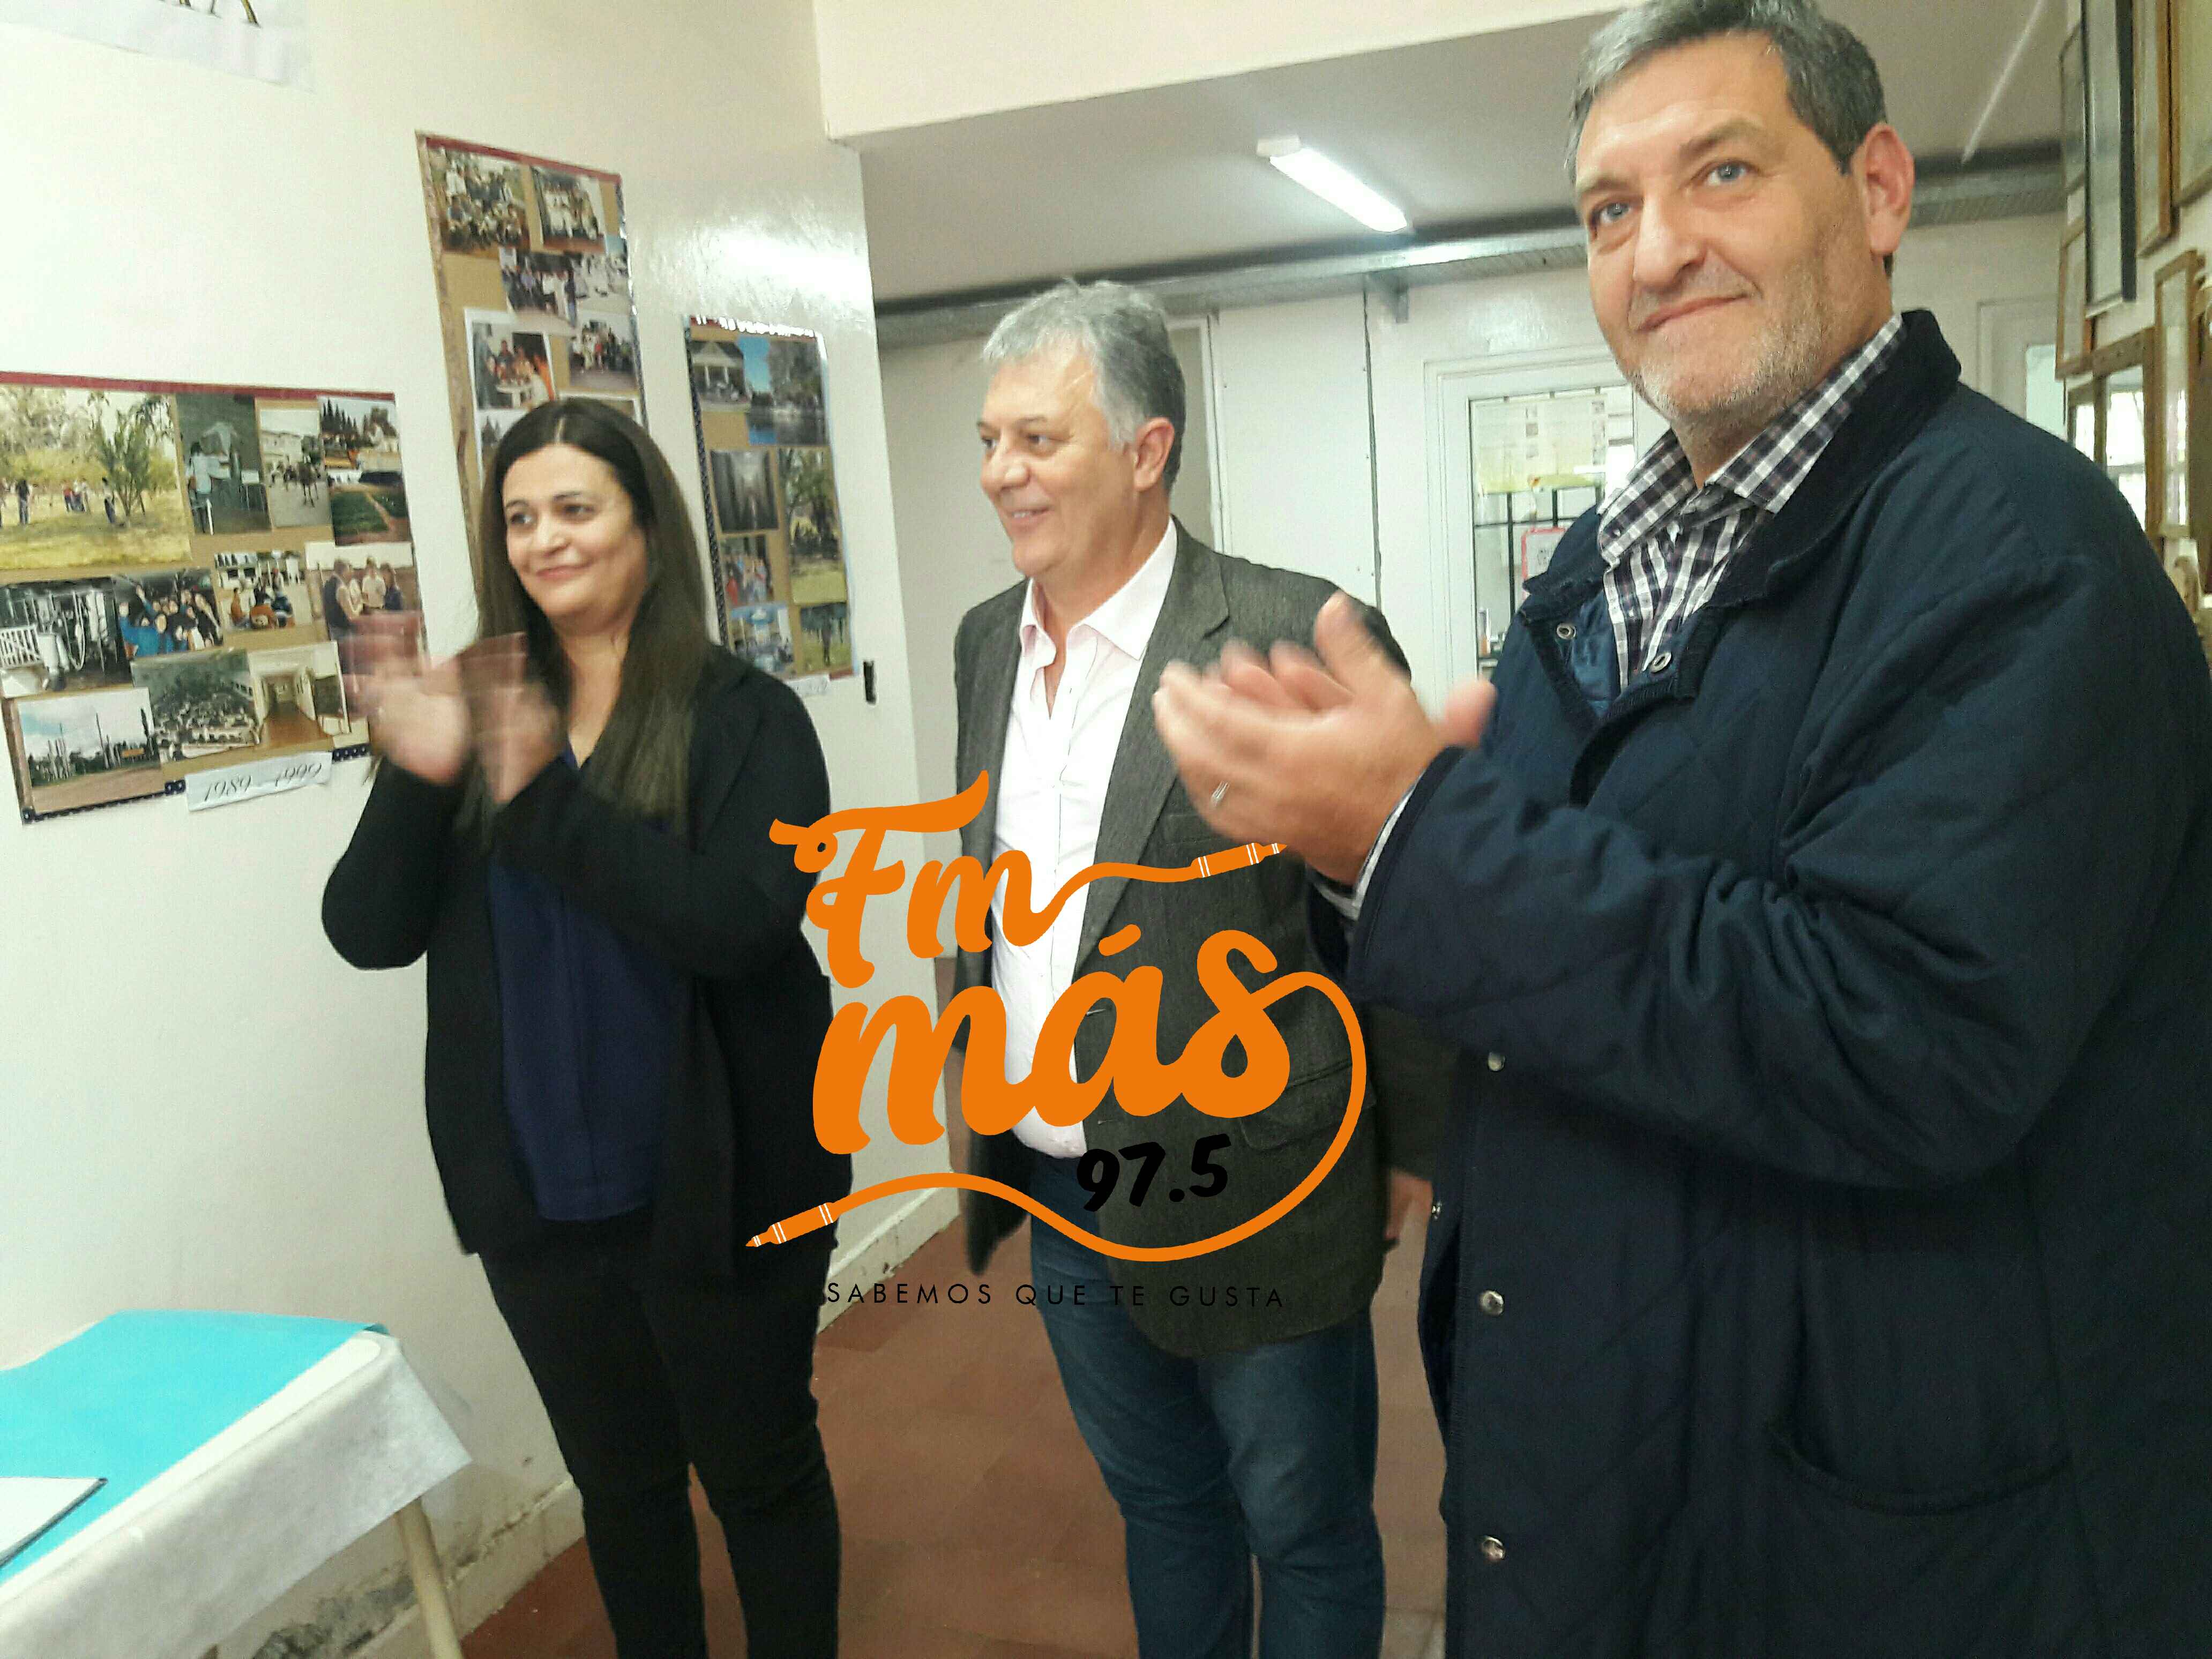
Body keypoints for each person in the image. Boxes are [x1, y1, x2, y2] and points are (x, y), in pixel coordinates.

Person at [1153, 3, 2212, 1654]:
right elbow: (1564, 941)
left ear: (1877, 188)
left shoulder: (2018, 547)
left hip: (1862, 1528)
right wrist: (1369, 851)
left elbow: (1900, 1032)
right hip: (1604, 1455)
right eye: (1607, 210)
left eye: (1722, 173)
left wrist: (1422, 834)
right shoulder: (1603, 558)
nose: (1656, 251)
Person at [954, 280, 1452, 1659]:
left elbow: (1405, 901)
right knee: (1163, 1508)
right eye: (990, 441)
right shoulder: (987, 643)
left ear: (1146, 449)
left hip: (1256, 1178)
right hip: (1062, 1179)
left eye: (1039, 439)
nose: (1002, 473)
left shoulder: (1290, 635)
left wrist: (1410, 1136)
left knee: (1301, 1521)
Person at [322, 399, 848, 1658]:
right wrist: (423, 777)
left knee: (760, 1472)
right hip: (541, 1200)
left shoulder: (748, 718)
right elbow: (368, 929)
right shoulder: (476, 708)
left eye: (575, 508)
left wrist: (534, 783)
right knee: (621, 1488)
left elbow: (738, 926)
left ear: (647, 524)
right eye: (519, 518)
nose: (544, 540)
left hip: (729, 1182)